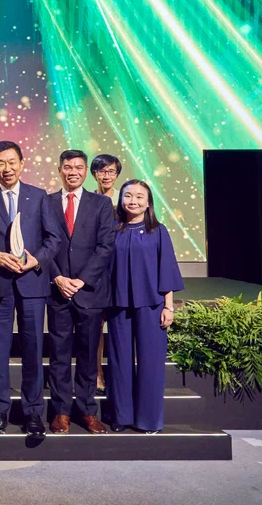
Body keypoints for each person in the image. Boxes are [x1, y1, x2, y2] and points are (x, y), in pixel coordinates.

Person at [0, 141, 62, 438]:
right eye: (0, 163)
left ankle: (33, 413)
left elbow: (53, 239)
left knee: (33, 351)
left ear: (22, 163)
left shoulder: (38, 196)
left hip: (32, 287)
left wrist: (37, 259)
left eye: (11, 162)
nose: (6, 169)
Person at [45, 150, 114, 435]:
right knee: (59, 355)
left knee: (88, 356)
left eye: (79, 167)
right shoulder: (45, 203)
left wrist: (82, 280)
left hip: (90, 292)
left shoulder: (101, 203)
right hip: (57, 290)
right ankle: (60, 412)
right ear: (59, 170)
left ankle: (87, 411)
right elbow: (40, 245)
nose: (73, 172)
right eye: (67, 167)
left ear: (86, 171)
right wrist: (58, 277)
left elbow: (105, 246)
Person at [107, 180, 183, 434]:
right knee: (119, 361)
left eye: (140, 197)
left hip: (152, 305)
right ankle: (121, 416)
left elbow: (167, 269)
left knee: (151, 362)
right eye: (128, 196)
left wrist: (168, 307)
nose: (133, 201)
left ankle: (149, 420)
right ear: (121, 200)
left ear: (148, 202)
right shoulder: (112, 230)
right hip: (118, 305)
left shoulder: (158, 231)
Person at [90, 153, 122, 394]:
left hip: (121, 267)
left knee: (120, 322)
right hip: (98, 269)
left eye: (111, 171)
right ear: (94, 174)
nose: (107, 176)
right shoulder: (90, 200)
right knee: (96, 325)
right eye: (102, 171)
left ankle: (120, 374)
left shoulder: (126, 200)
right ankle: (97, 372)